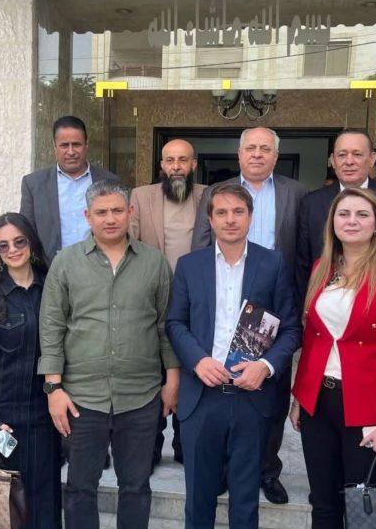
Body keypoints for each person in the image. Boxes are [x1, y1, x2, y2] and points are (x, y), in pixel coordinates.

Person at [38, 180, 180, 529]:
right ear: (88, 216)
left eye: (117, 210)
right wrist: (53, 388)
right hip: (81, 398)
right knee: (80, 487)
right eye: (101, 212)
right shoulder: (66, 262)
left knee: (136, 486)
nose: (110, 218)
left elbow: (166, 326)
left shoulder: (154, 262)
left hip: (141, 395)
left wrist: (172, 380)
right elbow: (52, 327)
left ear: (130, 212)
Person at [167, 183, 302, 528]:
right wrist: (197, 360)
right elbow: (175, 323)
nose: (230, 219)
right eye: (222, 212)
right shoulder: (189, 265)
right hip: (202, 396)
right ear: (210, 219)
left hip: (252, 397)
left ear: (250, 217)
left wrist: (266, 366)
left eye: (238, 212)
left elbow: (290, 329)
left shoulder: (272, 263)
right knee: (198, 499)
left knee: (245, 501)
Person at [290, 188, 376, 529]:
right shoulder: (321, 269)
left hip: (369, 409)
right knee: (324, 506)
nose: (351, 221)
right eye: (343, 214)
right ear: (332, 223)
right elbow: (314, 339)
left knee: (365, 514)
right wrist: (300, 397)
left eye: (362, 214)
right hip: (319, 403)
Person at [191, 127, 307, 504]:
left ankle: (267, 470)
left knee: (269, 391)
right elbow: (201, 242)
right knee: (226, 388)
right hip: (227, 290)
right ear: (239, 154)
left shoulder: (296, 193)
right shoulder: (217, 191)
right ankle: (227, 468)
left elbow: (303, 249)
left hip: (272, 298)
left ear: (276, 156)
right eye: (250, 148)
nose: (257, 154)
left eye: (265, 149)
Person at [0, 213, 62, 528]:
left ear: (31, 242)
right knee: (2, 509)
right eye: (3, 245)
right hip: (3, 420)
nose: (13, 250)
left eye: (19, 241)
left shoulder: (51, 288)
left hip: (44, 415)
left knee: (43, 503)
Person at [130, 138, 206, 470]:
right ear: (161, 165)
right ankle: (150, 447)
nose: (176, 166)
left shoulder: (209, 196)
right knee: (153, 373)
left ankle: (185, 445)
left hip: (197, 303)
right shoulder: (140, 196)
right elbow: (130, 243)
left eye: (183, 160)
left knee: (192, 372)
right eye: (170, 160)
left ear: (194, 164)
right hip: (152, 300)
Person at [296, 129, 376, 294]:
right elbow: (302, 268)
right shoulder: (311, 203)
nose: (349, 161)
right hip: (325, 302)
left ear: (372, 159)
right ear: (333, 161)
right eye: (342, 155)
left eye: (357, 154)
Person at [20, 115, 118, 264]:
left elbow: (118, 228)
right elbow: (25, 232)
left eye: (76, 144)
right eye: (64, 145)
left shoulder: (109, 181)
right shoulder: (33, 184)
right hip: (50, 271)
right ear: (55, 147)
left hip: (99, 269)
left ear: (86, 145)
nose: (71, 152)